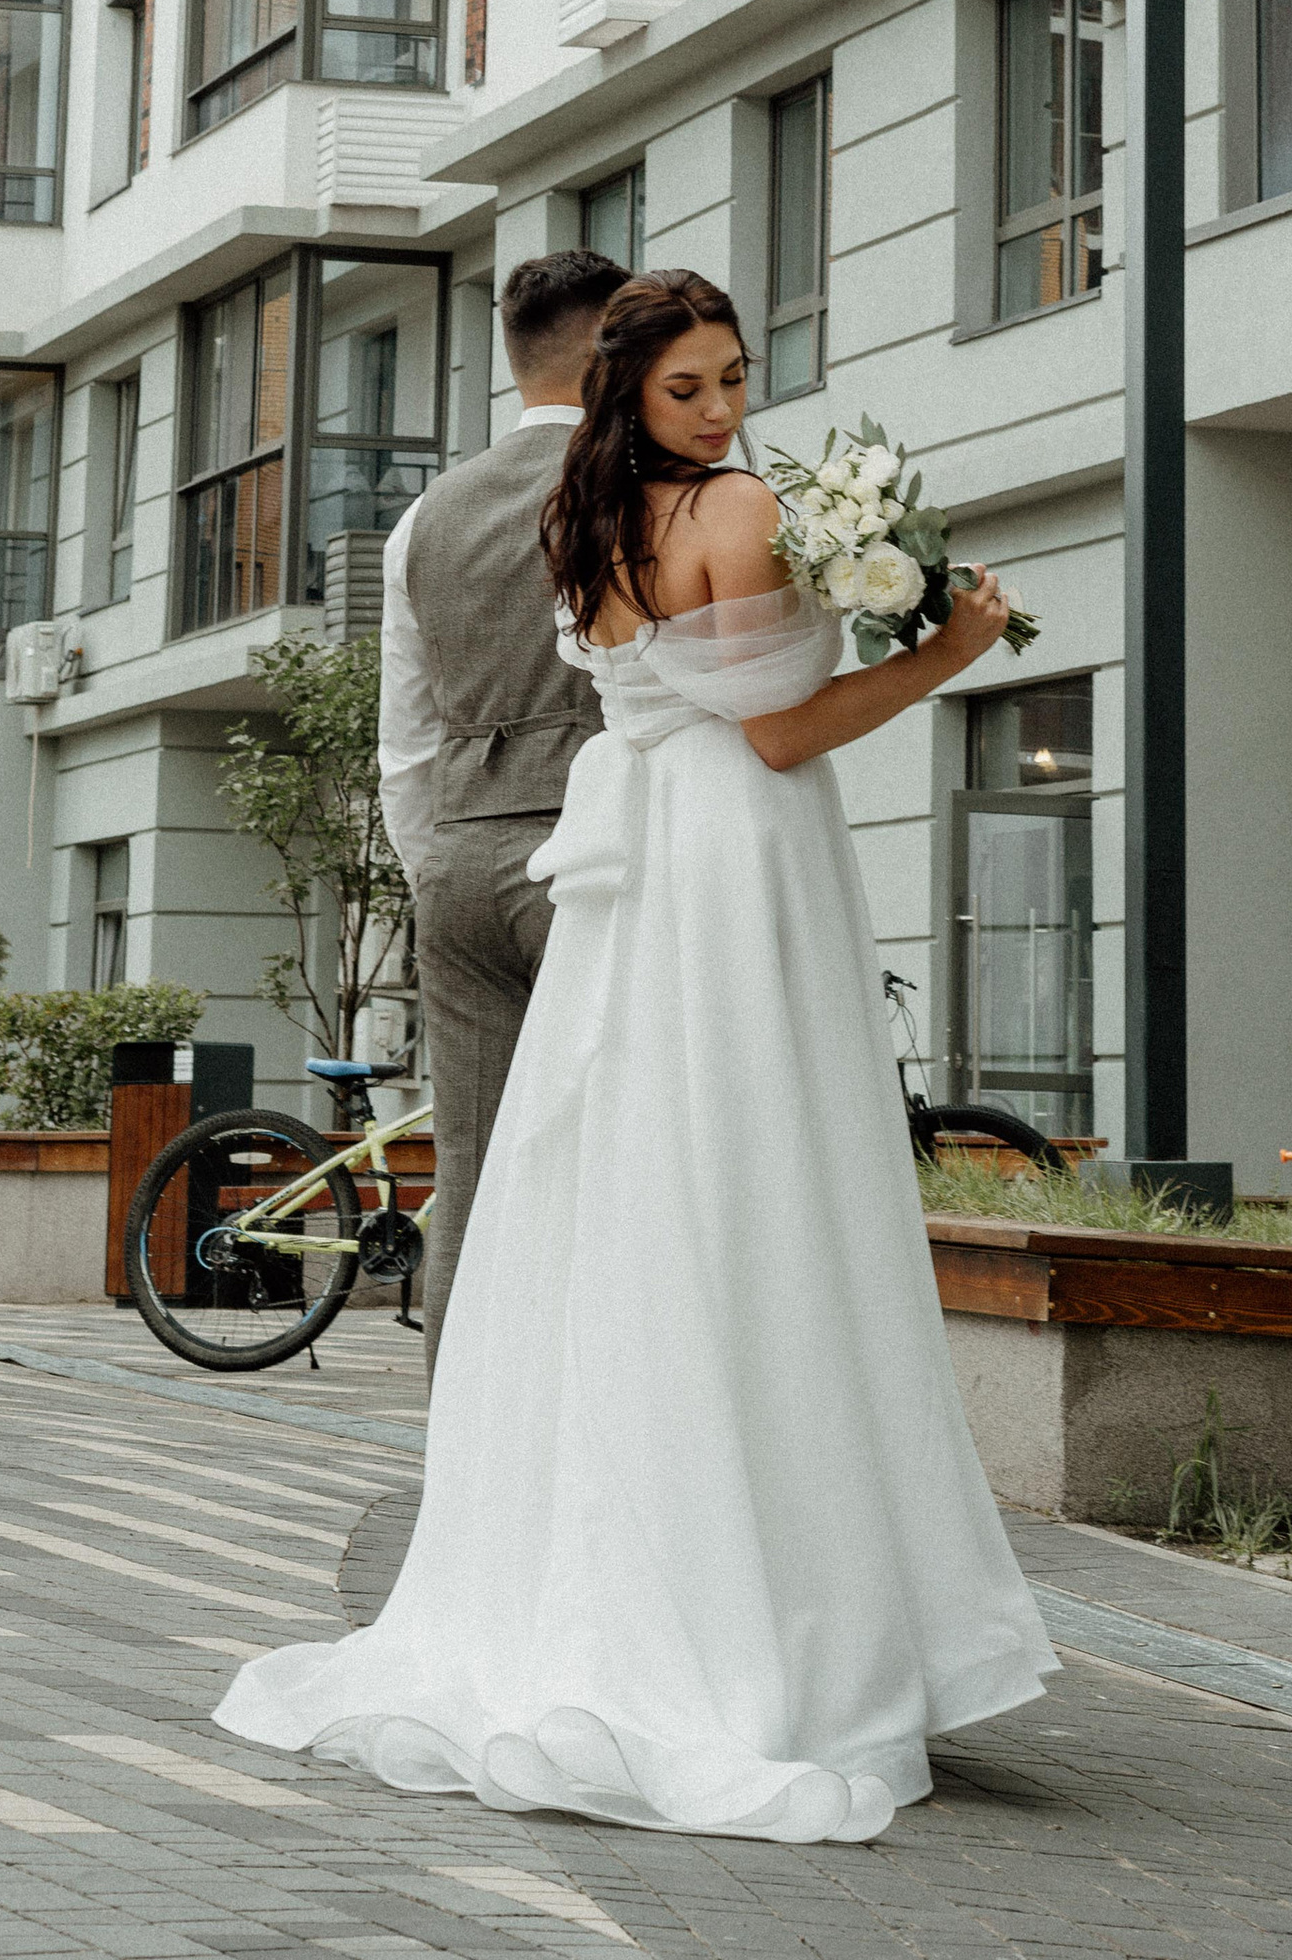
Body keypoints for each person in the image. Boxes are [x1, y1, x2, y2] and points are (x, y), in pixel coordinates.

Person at [217, 267, 1054, 1840]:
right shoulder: (732, 510)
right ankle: (762, 1613)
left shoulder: (565, 519)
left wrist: (425, 863)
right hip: (730, 858)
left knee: (585, 1178)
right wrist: (954, 641)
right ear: (625, 391)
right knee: (755, 1179)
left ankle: (553, 1542)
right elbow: (783, 733)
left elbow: (429, 723)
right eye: (694, 387)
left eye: (737, 378)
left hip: (588, 859)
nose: (727, 410)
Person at [376, 245, 627, 1355]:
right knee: (629, 1162)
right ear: (606, 347)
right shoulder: (638, 478)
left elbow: (406, 740)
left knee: (474, 1169)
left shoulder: (424, 517)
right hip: (602, 858)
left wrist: (436, 869)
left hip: (464, 872)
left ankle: (462, 1453)